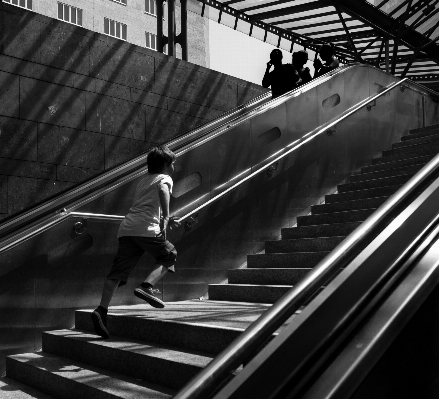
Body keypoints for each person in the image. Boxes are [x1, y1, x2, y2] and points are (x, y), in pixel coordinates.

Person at [91, 145, 179, 339]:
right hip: (146, 228)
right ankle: (146, 287)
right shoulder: (165, 178)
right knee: (169, 254)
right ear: (165, 165)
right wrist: (165, 217)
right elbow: (163, 190)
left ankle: (101, 310)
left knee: (118, 271)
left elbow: (145, 205)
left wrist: (166, 217)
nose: (174, 167)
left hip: (127, 228)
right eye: (173, 163)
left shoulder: (143, 181)